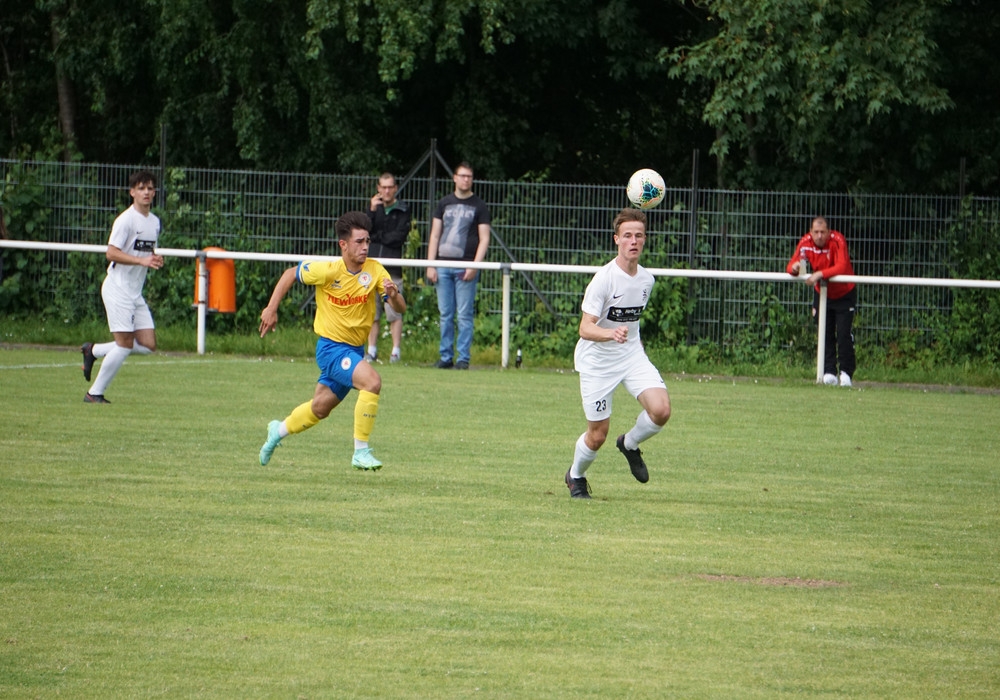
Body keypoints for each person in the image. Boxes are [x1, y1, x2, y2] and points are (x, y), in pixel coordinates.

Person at [258, 210, 406, 471]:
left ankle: (277, 431)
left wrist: (393, 296)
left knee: (320, 408)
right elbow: (290, 273)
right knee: (372, 382)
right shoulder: (327, 271)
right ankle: (361, 451)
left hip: (354, 351)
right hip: (331, 349)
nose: (365, 247)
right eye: (359, 242)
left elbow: (401, 308)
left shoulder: (374, 270)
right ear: (343, 244)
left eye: (367, 241)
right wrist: (271, 308)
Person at [565, 208, 672, 499]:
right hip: (597, 362)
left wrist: (630, 346)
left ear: (644, 239)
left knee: (661, 410)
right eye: (627, 236)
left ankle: (629, 444)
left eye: (638, 236)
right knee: (597, 435)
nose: (633, 241)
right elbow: (585, 328)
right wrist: (610, 334)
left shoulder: (647, 280)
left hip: (631, 356)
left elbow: (631, 325)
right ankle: (576, 476)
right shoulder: (604, 279)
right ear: (616, 239)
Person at [80, 170, 163, 403]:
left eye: (150, 188)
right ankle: (94, 393)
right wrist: (141, 261)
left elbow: (145, 252)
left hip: (135, 293)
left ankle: (93, 351)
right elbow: (111, 253)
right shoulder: (125, 220)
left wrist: (154, 258)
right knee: (124, 344)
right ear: (132, 192)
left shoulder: (154, 222)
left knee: (148, 345)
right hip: (117, 288)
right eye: (141, 188)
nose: (146, 192)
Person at [426, 162, 491, 369]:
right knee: (445, 314)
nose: (466, 179)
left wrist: (475, 266)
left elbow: (484, 238)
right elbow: (435, 235)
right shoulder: (444, 203)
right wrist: (430, 264)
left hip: (466, 266)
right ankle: (445, 357)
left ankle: (463, 358)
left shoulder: (479, 206)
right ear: (454, 178)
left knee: (464, 315)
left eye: (469, 176)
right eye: (462, 176)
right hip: (442, 265)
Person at [786, 216, 857, 387]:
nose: (819, 236)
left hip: (844, 292)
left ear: (829, 232)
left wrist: (820, 274)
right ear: (811, 232)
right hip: (822, 293)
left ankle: (846, 373)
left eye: (822, 232)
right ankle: (829, 371)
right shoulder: (805, 242)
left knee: (843, 334)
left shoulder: (837, 240)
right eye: (816, 232)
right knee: (824, 332)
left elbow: (841, 266)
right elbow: (792, 265)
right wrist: (795, 268)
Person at [365, 172, 412, 364]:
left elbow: (398, 237)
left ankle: (395, 352)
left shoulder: (402, 209)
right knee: (372, 313)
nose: (386, 191)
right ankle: (371, 351)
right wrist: (371, 211)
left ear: (395, 188)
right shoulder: (373, 209)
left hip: (392, 269)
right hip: (371, 268)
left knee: (394, 312)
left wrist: (378, 237)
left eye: (389, 187)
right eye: (383, 187)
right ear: (378, 188)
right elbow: (365, 232)